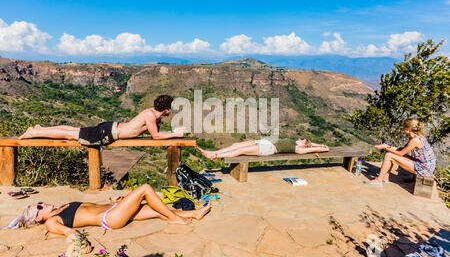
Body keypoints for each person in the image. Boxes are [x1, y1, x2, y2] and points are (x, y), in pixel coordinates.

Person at [3, 184, 211, 254]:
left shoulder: (60, 208)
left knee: (153, 209)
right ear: (39, 219)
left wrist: (113, 200)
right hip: (111, 218)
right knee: (145, 189)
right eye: (39, 207)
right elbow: (70, 232)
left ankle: (194, 213)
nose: (43, 204)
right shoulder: (51, 222)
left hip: (112, 208)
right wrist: (81, 245)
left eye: (39, 202)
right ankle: (176, 219)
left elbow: (89, 207)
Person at [18, 95, 186, 146]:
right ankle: (34, 132)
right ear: (167, 109)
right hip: (108, 133)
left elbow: (155, 133)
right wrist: (174, 134)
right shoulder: (150, 116)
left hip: (111, 128)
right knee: (71, 134)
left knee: (72, 129)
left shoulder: (151, 114)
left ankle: (40, 129)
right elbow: (156, 137)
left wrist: (172, 133)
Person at [368, 118, 436, 186]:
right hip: (425, 165)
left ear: (408, 128)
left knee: (389, 155)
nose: (402, 129)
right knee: (390, 154)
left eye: (404, 127)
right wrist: (387, 146)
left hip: (424, 168)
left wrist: (385, 148)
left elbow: (401, 153)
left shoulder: (415, 140)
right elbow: (401, 149)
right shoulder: (418, 136)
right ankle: (385, 178)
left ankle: (379, 180)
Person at [198, 137, 330, 160]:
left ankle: (214, 156)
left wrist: (322, 149)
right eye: (302, 138)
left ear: (303, 145)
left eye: (303, 141)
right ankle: (213, 152)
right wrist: (319, 144)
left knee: (240, 151)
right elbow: (312, 145)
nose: (301, 139)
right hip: (264, 142)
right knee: (235, 145)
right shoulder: (298, 144)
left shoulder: (299, 149)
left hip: (269, 148)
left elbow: (309, 149)